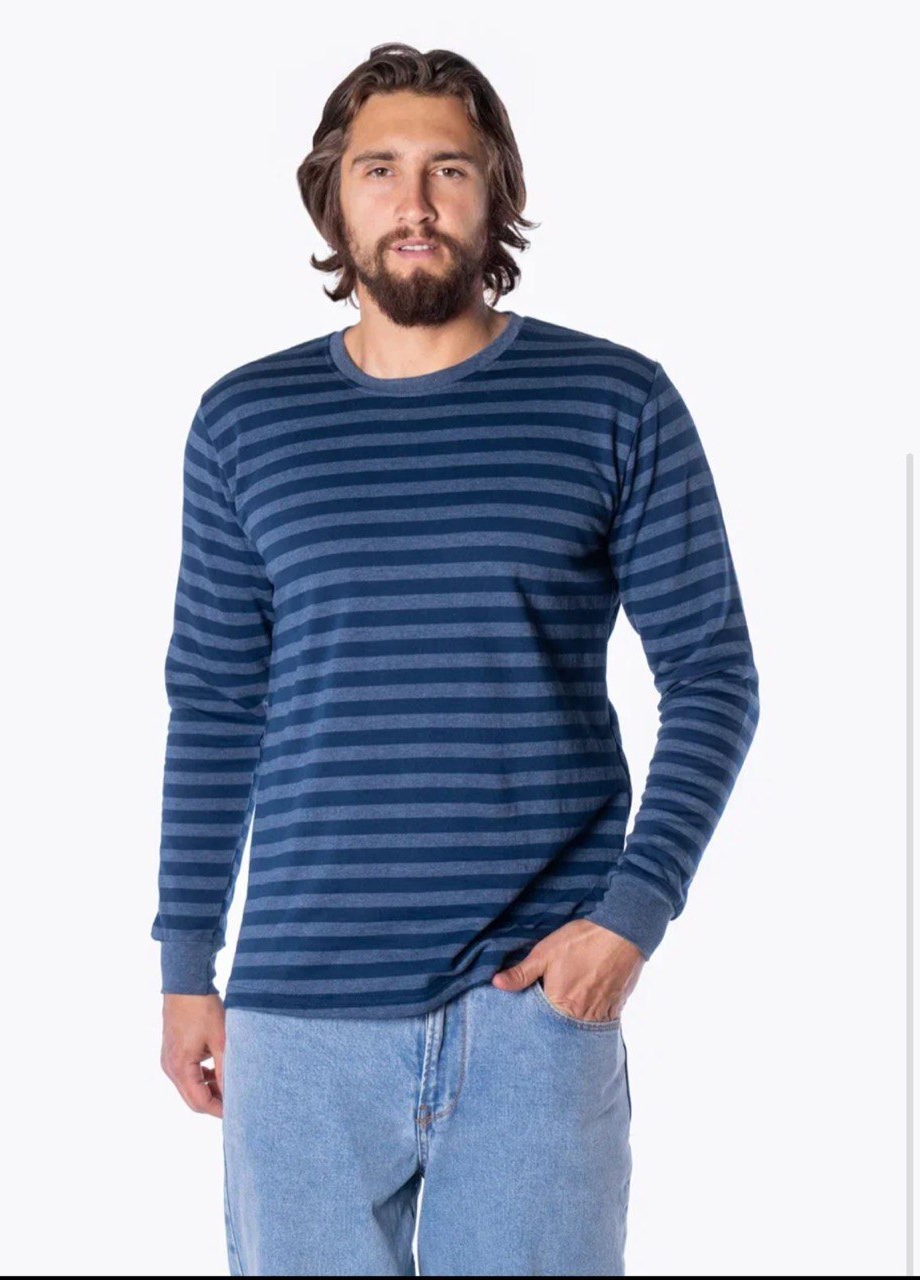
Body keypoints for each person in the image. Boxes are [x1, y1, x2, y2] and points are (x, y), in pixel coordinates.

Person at [151, 41, 760, 1277]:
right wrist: (183, 964)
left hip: (530, 1008)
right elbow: (214, 701)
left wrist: (630, 921)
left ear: (497, 194)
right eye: (380, 170)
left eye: (450, 169)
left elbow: (711, 675)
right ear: (335, 198)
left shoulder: (614, 401)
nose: (415, 203)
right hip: (298, 1015)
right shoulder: (246, 421)